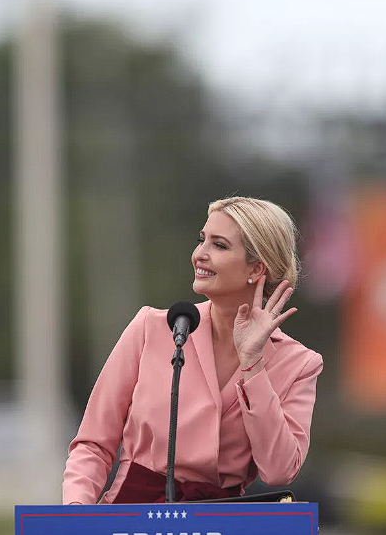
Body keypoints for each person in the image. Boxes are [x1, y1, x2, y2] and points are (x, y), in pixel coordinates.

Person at [62, 196, 323, 504]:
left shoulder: (300, 364)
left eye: (219, 245)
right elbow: (93, 445)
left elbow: (279, 471)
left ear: (256, 268)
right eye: (202, 240)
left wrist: (253, 364)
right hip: (129, 514)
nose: (200, 254)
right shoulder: (150, 328)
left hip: (222, 521)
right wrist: (76, 512)